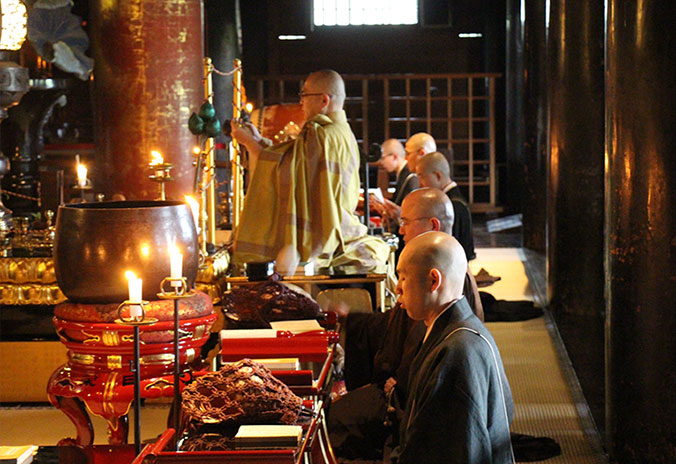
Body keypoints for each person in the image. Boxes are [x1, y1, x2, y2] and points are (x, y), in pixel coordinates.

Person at [329, 188, 482, 460]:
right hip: (404, 397)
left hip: (402, 404)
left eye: (405, 222)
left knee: (332, 421)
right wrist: (353, 319)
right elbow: (399, 330)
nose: (400, 231)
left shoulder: (452, 296)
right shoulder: (441, 286)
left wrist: (397, 384)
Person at [230, 69, 389, 272]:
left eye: (304, 95)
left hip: (326, 236)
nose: (301, 102)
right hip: (343, 224)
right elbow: (292, 159)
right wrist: (259, 141)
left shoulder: (322, 135)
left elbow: (288, 171)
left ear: (324, 100)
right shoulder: (341, 132)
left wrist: (250, 143)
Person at [391, 232, 514, 464]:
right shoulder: (460, 331)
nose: (397, 288)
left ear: (433, 281)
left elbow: (457, 450)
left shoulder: (458, 353)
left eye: (403, 277)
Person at [416, 150, 476, 260]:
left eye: (421, 176)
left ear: (437, 175)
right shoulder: (450, 199)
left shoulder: (452, 204)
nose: (419, 184)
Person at [379, 133, 437, 225]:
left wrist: (401, 215)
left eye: (408, 153)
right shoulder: (414, 176)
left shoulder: (412, 177)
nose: (405, 158)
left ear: (422, 153)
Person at [379, 138, 418, 206]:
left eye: (383, 158)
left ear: (394, 156)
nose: (381, 162)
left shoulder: (410, 175)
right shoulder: (401, 173)